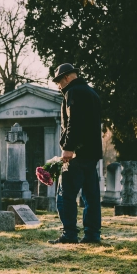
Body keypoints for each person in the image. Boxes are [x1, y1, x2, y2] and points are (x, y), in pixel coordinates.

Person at [48, 63, 103, 244]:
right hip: (92, 153)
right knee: (91, 196)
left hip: (76, 153)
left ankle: (69, 234)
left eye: (58, 81)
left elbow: (74, 122)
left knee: (65, 195)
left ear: (66, 77)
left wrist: (68, 148)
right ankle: (92, 235)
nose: (58, 86)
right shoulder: (92, 93)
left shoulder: (73, 92)